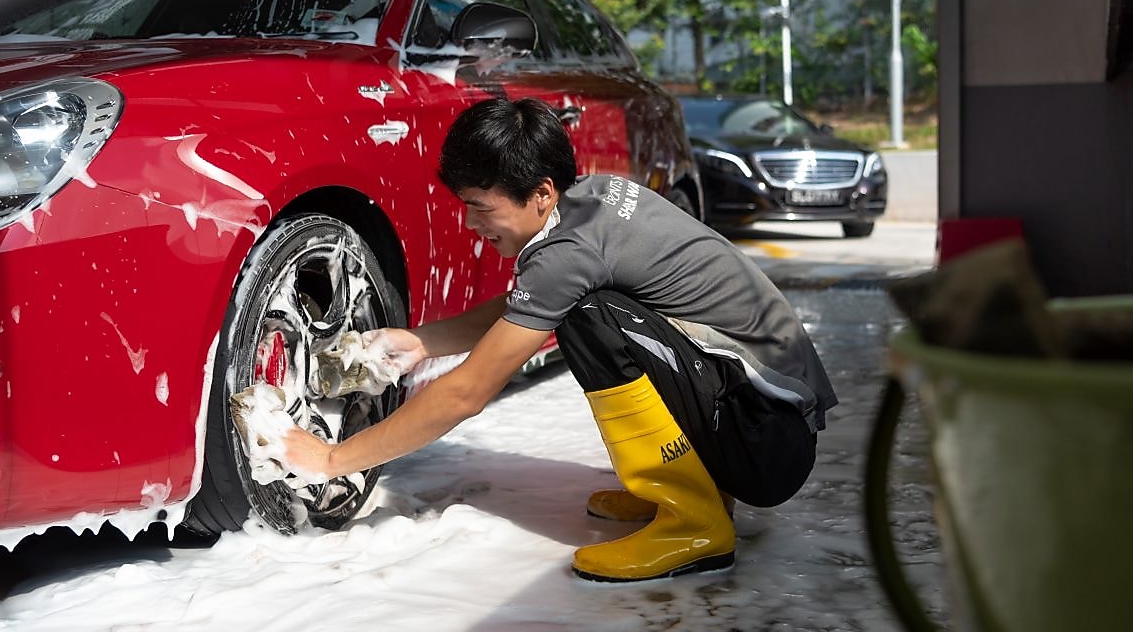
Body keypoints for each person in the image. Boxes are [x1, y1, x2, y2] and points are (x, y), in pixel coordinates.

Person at [280, 97, 837, 583]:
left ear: (542, 193)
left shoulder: (566, 257)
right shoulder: (593, 202)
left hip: (765, 442)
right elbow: (528, 304)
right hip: (767, 423)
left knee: (588, 318)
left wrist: (332, 459)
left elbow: (465, 394)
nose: (472, 224)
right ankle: (695, 489)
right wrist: (424, 342)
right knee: (584, 308)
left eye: (481, 206)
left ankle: (692, 522)